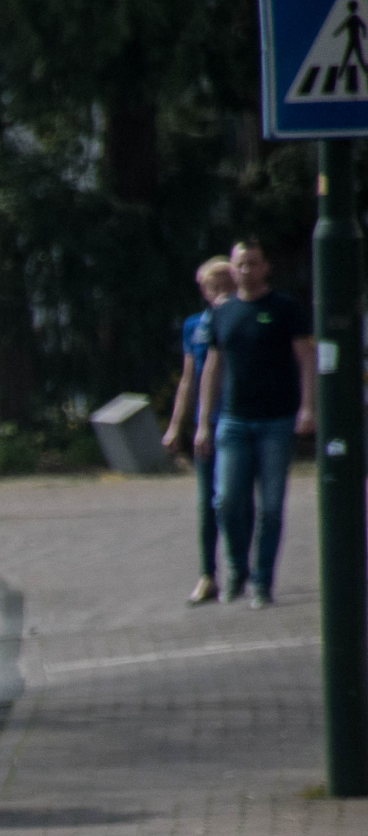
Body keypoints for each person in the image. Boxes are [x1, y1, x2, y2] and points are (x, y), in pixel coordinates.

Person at [196, 237, 315, 607]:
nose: (246, 270)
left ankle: (262, 581)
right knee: (227, 500)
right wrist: (202, 423)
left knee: (271, 506)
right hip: (232, 422)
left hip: (276, 422)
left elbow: (306, 359)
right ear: (232, 269)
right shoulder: (222, 312)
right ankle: (236, 569)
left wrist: (307, 407)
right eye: (240, 264)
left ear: (265, 267)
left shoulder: (284, 309)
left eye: (253, 263)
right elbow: (212, 369)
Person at [161, 257, 235, 604]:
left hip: (241, 419)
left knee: (232, 500)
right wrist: (177, 426)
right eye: (212, 285)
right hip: (209, 422)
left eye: (225, 282)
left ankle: (240, 569)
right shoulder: (195, 326)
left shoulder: (242, 318)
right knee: (207, 502)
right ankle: (208, 574)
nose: (218, 290)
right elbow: (189, 379)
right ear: (203, 291)